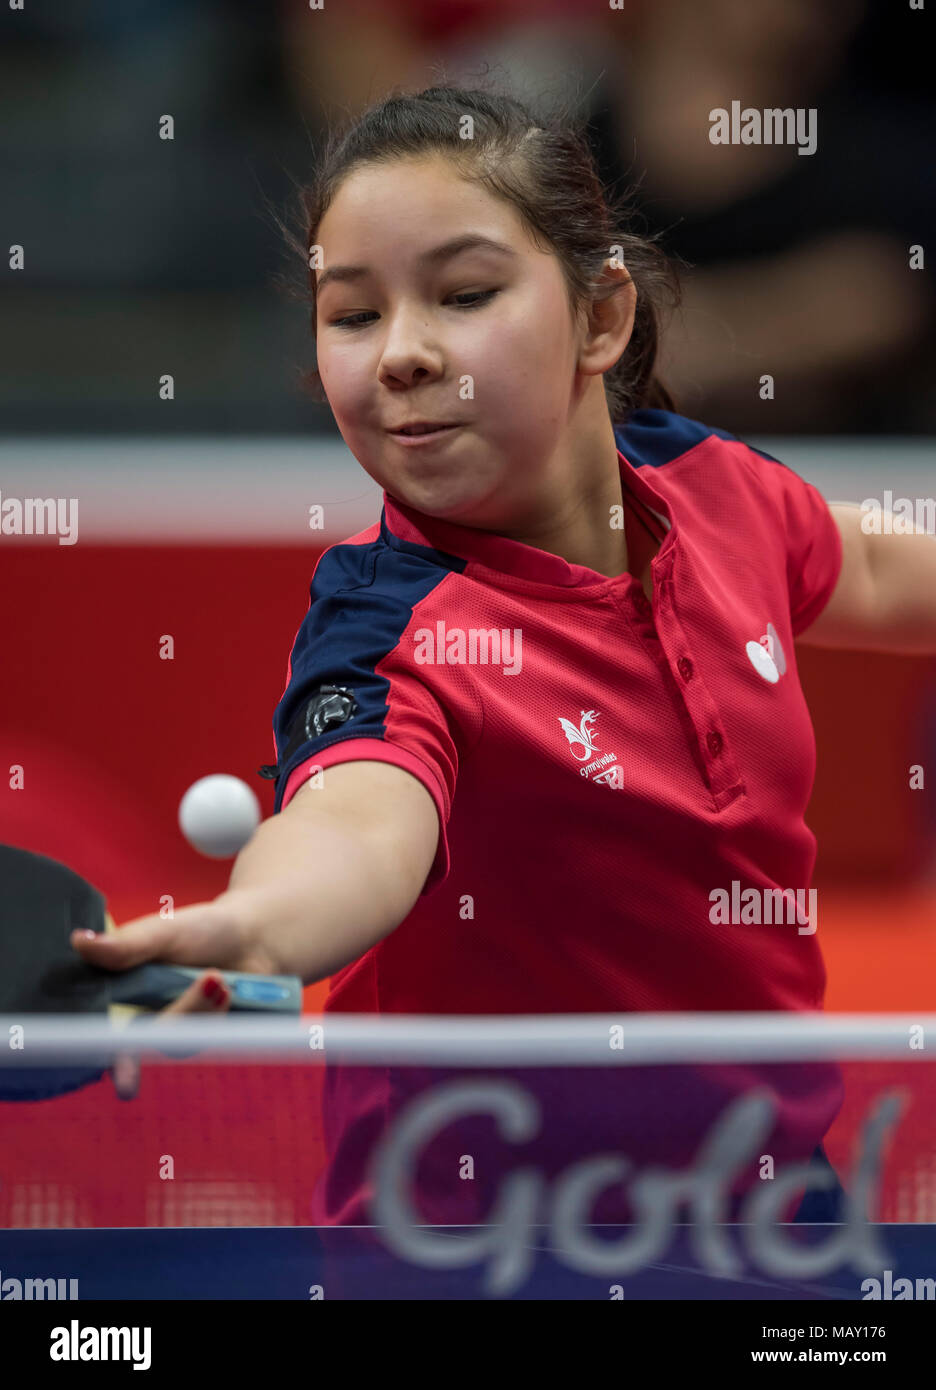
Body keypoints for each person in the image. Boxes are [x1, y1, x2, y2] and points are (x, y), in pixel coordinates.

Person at [74, 84, 936, 1228]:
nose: (402, 355)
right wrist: (256, 929)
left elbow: (872, 566)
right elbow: (355, 822)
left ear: (601, 317)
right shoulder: (388, 631)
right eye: (351, 315)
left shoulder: (717, 489)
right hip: (484, 1251)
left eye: (465, 293)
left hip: (773, 1225)